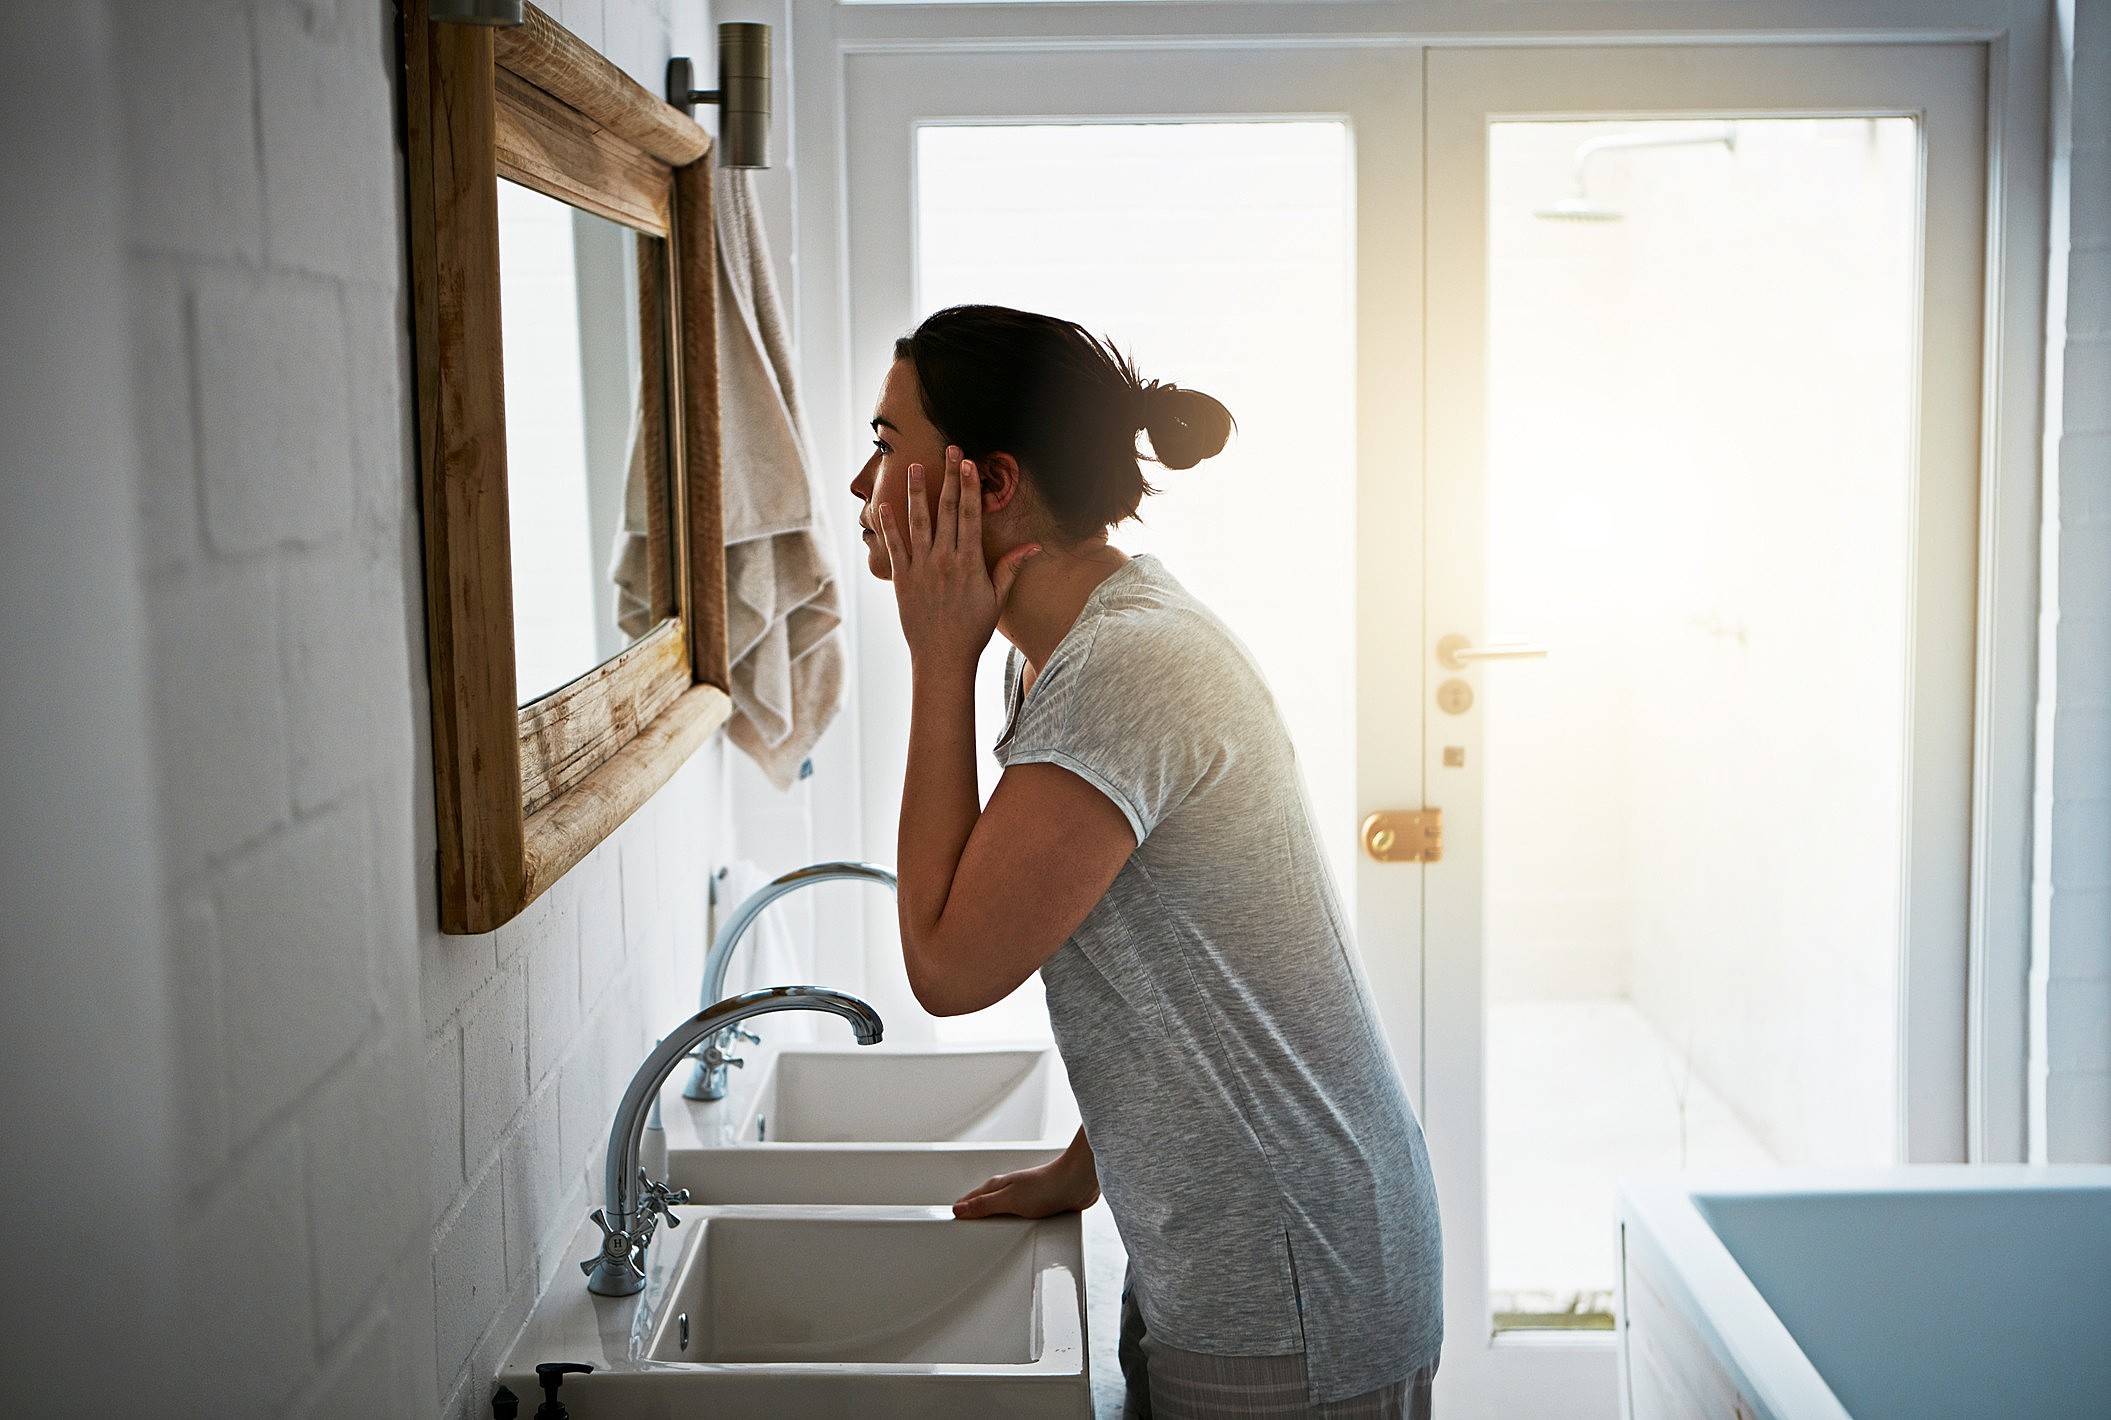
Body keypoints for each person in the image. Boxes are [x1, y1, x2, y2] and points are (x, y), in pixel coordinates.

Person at [850, 304, 1442, 1419]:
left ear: (990, 483)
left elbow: (945, 964)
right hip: (1248, 1254)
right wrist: (1085, 1168)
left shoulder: (1125, 668)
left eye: (886, 446)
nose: (858, 488)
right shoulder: (1066, 661)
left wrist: (937, 662)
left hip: (1294, 1281)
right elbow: (1178, 976)